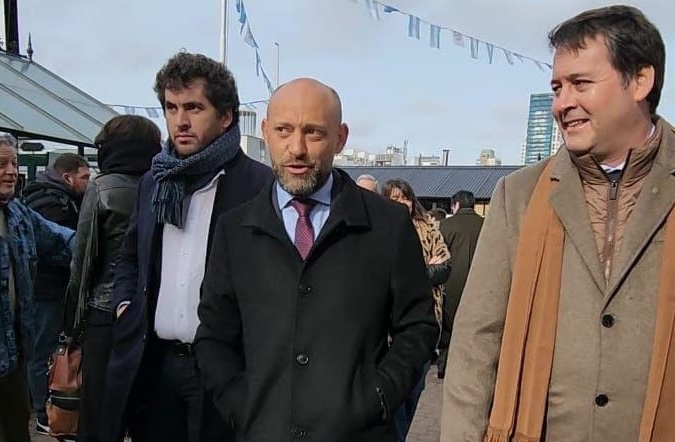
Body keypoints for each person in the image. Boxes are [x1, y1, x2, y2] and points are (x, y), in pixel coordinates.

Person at [441, 5, 675, 441]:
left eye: (580, 83)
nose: (562, 103)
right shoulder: (520, 195)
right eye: (557, 87)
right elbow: (476, 342)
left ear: (641, 80)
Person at [194, 78, 438, 442]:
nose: (297, 148)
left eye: (313, 132)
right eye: (284, 130)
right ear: (265, 132)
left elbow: (418, 327)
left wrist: (378, 398)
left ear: (340, 138)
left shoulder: (387, 225)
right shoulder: (235, 230)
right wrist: (239, 406)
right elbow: (214, 334)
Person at [101, 53, 271, 442]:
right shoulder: (154, 181)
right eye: (171, 107)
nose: (180, 120)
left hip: (226, 367)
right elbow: (130, 257)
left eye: (194, 108)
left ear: (225, 116)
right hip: (155, 362)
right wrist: (125, 304)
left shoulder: (259, 187)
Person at [63, 115, 162, 442]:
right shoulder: (163, 184)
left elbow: (83, 262)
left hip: (105, 314)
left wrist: (72, 327)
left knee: (99, 415)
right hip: (151, 314)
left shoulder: (102, 187)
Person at [0, 133, 74, 442]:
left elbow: (62, 240)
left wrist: (103, 241)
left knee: (16, 428)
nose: (11, 172)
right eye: (2, 164)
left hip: (13, 354)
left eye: (14, 163)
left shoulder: (18, 214)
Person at [21, 152, 89, 434]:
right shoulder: (52, 204)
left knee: (48, 350)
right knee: (42, 351)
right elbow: (50, 246)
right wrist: (80, 256)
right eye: (84, 177)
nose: (88, 182)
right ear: (67, 177)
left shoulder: (58, 200)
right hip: (45, 291)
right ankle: (42, 412)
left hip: (50, 289)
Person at [381, 178, 450, 441]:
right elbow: (379, 277)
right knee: (393, 399)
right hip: (387, 330)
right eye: (394, 198)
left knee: (414, 392)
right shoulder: (378, 230)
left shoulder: (428, 229)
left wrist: (416, 274)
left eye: (405, 197)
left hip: (424, 322)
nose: (401, 203)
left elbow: (445, 267)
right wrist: (423, 270)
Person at [436, 190, 483, 379]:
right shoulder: (486, 225)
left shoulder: (445, 225)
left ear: (455, 205)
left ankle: (445, 365)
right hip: (479, 282)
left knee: (449, 327)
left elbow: (439, 254)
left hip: (451, 283)